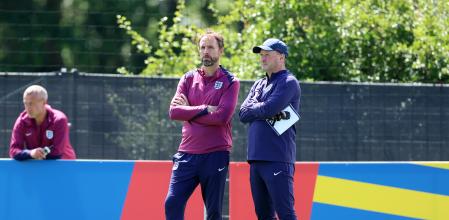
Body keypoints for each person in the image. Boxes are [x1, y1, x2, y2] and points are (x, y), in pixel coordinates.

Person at [165, 30, 240, 220]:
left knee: (213, 212)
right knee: (172, 202)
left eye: (211, 47)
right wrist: (206, 108)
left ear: (220, 50)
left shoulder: (231, 82)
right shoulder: (188, 78)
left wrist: (189, 111)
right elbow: (174, 112)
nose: (206, 51)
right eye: (203, 47)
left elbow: (222, 117)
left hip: (215, 154)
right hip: (186, 154)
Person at [239, 38, 301, 220]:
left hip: (278, 158)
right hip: (256, 159)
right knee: (263, 215)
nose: (263, 58)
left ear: (281, 57)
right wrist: (262, 108)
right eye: (261, 55)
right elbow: (242, 114)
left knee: (286, 213)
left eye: (267, 54)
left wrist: (257, 107)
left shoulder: (289, 82)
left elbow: (269, 109)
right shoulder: (259, 84)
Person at [9, 85, 76, 160]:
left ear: (44, 102)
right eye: (25, 103)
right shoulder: (21, 121)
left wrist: (36, 154)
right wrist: (30, 153)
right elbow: (13, 151)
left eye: (31, 103)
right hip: (37, 166)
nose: (27, 108)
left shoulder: (59, 119)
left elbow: (57, 153)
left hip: (65, 166)